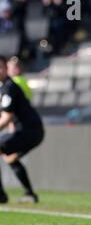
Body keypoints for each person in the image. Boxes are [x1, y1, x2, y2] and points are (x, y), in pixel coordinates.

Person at [0, 55, 43, 203]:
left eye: (1, 67)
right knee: (9, 157)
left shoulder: (9, 87)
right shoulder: (4, 87)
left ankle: (1, 196)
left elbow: (6, 118)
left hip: (30, 130)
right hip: (29, 130)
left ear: (6, 68)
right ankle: (29, 194)